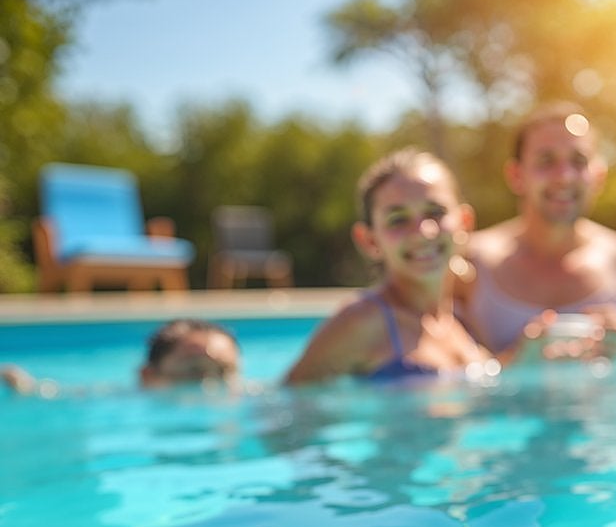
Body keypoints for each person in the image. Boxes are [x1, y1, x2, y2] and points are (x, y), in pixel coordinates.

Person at [456, 102, 616, 360]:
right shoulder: (471, 263)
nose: (564, 176)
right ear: (516, 175)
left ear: (598, 176)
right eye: (546, 160)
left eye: (578, 161)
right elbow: (444, 364)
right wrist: (516, 359)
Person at [284, 148, 496, 384]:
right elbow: (286, 407)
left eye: (435, 212)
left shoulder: (459, 324)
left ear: (464, 223)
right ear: (369, 240)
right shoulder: (363, 321)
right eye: (398, 219)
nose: (422, 232)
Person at [3, 318, 242, 396]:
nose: (210, 385)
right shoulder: (122, 399)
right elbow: (54, 394)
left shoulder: (249, 395)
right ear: (147, 376)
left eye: (224, 371)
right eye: (193, 371)